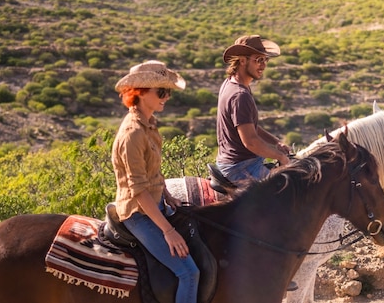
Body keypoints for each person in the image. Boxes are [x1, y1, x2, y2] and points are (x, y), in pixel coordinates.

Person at [111, 60, 199, 303]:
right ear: (139, 92)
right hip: (138, 213)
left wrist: (168, 195)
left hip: (155, 204)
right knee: (189, 273)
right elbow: (138, 190)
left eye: (168, 92)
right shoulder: (133, 133)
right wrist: (168, 231)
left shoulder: (148, 125)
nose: (166, 97)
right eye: (161, 92)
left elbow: (153, 174)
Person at [215, 35, 291, 182]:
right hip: (240, 168)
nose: (263, 65)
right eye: (258, 60)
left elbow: (251, 128)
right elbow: (250, 142)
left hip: (240, 162)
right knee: (292, 185)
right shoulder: (240, 95)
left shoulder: (231, 84)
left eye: (265, 60)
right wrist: (280, 156)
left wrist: (276, 143)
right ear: (242, 61)